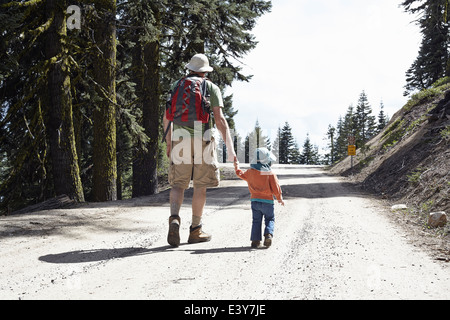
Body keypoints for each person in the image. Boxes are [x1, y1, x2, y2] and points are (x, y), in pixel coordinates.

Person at [163, 53, 236, 247]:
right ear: (205, 71)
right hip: (203, 137)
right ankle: (195, 229)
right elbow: (220, 120)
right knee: (200, 185)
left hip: (180, 137)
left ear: (189, 69)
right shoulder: (211, 87)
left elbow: (166, 118)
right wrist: (230, 147)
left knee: (178, 184)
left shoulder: (176, 86)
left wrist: (169, 142)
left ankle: (175, 219)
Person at [234, 148, 285, 248]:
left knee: (256, 221)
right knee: (269, 219)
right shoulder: (269, 173)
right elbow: (276, 187)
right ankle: (268, 235)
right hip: (268, 202)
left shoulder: (250, 172)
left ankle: (255, 241)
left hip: (255, 201)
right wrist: (279, 198)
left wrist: (236, 166)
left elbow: (240, 174)